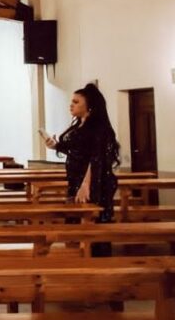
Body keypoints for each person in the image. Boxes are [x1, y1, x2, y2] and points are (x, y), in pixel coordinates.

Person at [45, 83, 120, 255]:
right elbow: (78, 151)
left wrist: (86, 184)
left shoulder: (99, 129)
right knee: (76, 221)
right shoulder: (79, 125)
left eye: (76, 102)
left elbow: (96, 158)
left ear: (89, 106)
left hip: (94, 182)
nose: (71, 104)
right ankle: (80, 257)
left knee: (93, 221)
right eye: (71, 101)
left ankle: (96, 260)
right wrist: (55, 146)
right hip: (76, 180)